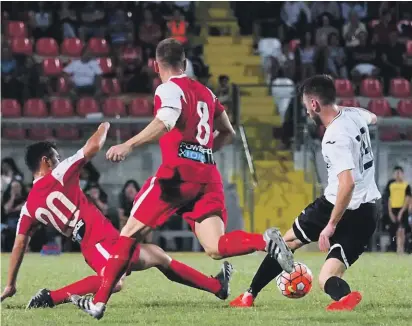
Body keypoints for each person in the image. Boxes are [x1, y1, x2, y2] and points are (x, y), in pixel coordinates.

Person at [72, 38, 294, 319]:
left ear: (156, 65)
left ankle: (99, 302)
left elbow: (165, 120)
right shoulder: (206, 92)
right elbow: (228, 132)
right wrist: (202, 151)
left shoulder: (168, 89)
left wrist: (128, 145)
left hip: (177, 177)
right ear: (185, 64)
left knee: (127, 234)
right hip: (207, 176)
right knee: (215, 247)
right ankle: (264, 241)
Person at [0, 127, 233, 308]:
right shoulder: (59, 173)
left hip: (106, 240)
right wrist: (105, 126)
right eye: (56, 157)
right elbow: (93, 146)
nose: (60, 160)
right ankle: (50, 298)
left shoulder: (28, 207)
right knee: (113, 282)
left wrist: (11, 283)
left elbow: (20, 244)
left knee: (158, 255)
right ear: (46, 161)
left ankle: (217, 286)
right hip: (97, 243)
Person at [230, 75, 381, 311]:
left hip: (335, 205)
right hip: (369, 209)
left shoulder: (334, 136)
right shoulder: (353, 114)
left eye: (305, 106)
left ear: (314, 104)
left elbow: (347, 184)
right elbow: (372, 116)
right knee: (326, 278)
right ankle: (344, 298)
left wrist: (331, 225)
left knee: (285, 243)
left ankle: (249, 295)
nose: (307, 112)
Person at [385, 166, 411, 254]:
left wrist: (402, 212)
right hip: (393, 209)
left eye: (399, 173)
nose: (397, 175)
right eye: (396, 173)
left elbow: (407, 199)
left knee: (402, 230)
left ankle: (401, 248)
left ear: (402, 174)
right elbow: (389, 199)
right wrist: (390, 212)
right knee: (396, 230)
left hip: (402, 209)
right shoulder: (391, 186)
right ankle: (397, 249)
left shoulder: (406, 185)